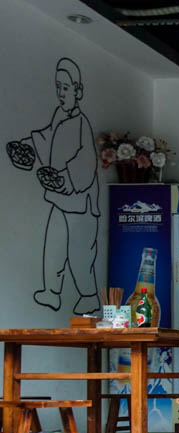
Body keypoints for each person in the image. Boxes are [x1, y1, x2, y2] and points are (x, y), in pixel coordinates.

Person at [7, 57, 101, 314]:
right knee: (53, 247)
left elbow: (87, 161)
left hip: (80, 204)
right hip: (60, 199)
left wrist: (67, 181)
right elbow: (45, 138)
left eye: (66, 88)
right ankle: (51, 292)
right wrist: (26, 147)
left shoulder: (82, 123)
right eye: (58, 87)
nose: (61, 93)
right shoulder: (59, 116)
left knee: (80, 254)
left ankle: (89, 296)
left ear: (78, 91)